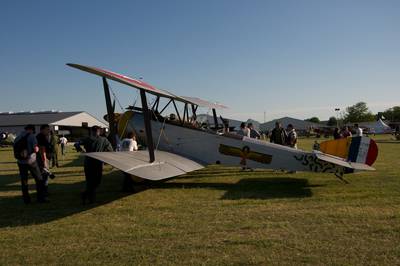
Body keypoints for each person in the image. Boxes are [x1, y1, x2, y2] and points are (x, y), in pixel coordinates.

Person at [75, 126, 113, 204]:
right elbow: (110, 150)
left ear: (91, 131)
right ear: (99, 131)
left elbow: (76, 143)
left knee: (91, 181)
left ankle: (86, 195)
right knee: (96, 181)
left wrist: (80, 149)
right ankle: (91, 199)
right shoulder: (103, 140)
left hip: (88, 162)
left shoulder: (87, 139)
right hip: (97, 163)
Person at [13, 125, 46, 203]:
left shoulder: (18, 137)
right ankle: (40, 198)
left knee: (24, 181)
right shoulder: (31, 136)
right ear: (32, 130)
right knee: (39, 179)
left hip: (21, 162)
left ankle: (26, 199)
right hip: (31, 161)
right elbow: (35, 149)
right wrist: (37, 150)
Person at [36, 124, 52, 195]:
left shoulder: (43, 137)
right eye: (47, 129)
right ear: (42, 130)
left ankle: (44, 191)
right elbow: (42, 150)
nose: (49, 131)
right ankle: (44, 192)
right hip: (42, 159)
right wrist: (44, 161)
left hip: (42, 158)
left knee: (44, 175)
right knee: (44, 175)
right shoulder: (41, 137)